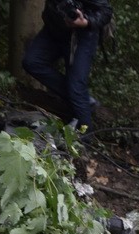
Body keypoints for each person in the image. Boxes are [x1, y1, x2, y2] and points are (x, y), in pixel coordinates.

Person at [22, 0, 113, 134]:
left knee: (76, 86)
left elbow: (105, 11)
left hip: (82, 35)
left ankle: (85, 137)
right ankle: (84, 101)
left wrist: (86, 21)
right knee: (32, 62)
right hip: (54, 30)